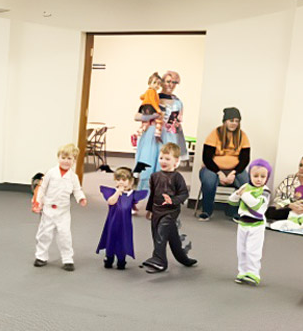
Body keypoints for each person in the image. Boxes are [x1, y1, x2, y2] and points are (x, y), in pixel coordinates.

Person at [141, 143, 197, 273]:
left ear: (176, 161)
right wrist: (149, 209)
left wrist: (172, 200)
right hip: (156, 210)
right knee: (165, 236)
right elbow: (153, 194)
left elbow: (184, 194)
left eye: (167, 159)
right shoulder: (154, 176)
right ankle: (183, 258)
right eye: (161, 158)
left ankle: (160, 261)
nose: (163, 161)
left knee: (161, 234)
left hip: (170, 212)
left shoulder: (177, 177)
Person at [31, 143, 86, 271]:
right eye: (63, 157)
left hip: (63, 211)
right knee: (44, 234)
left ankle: (67, 259)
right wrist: (38, 202)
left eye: (69, 159)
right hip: (48, 209)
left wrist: (81, 198)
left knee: (65, 235)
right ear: (58, 157)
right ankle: (41, 256)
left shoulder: (73, 177)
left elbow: (77, 190)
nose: (66, 161)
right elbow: (42, 188)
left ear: (74, 161)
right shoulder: (51, 173)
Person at [134, 70, 187, 192]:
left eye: (174, 82)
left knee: (164, 170)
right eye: (168, 81)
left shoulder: (178, 102)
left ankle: (158, 203)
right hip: (151, 136)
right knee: (147, 168)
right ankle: (141, 198)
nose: (171, 85)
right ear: (162, 82)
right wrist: (154, 116)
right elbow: (137, 116)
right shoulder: (152, 96)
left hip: (169, 137)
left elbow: (178, 123)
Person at [197, 107, 251, 221]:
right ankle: (207, 211)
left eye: (237, 121)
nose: (234, 123)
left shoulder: (242, 136)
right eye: (231, 120)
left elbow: (245, 159)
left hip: (235, 169)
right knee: (209, 180)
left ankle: (235, 211)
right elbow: (207, 158)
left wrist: (233, 173)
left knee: (245, 182)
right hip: (213, 169)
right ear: (225, 121)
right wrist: (219, 173)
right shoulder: (215, 133)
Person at [227, 159, 271, 286]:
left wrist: (243, 194)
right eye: (255, 176)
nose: (259, 179)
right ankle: (242, 272)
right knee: (241, 250)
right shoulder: (245, 187)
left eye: (263, 176)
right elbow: (232, 201)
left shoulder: (265, 191)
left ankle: (253, 273)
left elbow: (256, 205)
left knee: (253, 250)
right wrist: (237, 194)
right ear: (249, 175)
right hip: (243, 224)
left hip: (257, 225)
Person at [96, 168, 148, 270]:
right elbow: (111, 202)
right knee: (111, 238)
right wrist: (118, 192)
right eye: (118, 179)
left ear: (130, 181)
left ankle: (121, 259)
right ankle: (109, 258)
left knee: (123, 240)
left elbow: (139, 200)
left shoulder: (132, 195)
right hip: (112, 222)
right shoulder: (111, 192)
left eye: (124, 180)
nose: (120, 182)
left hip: (125, 224)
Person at [268, 154, 303, 222]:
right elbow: (277, 200)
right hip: (288, 212)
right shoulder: (289, 179)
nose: (302, 168)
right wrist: (289, 205)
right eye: (301, 165)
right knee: (270, 211)